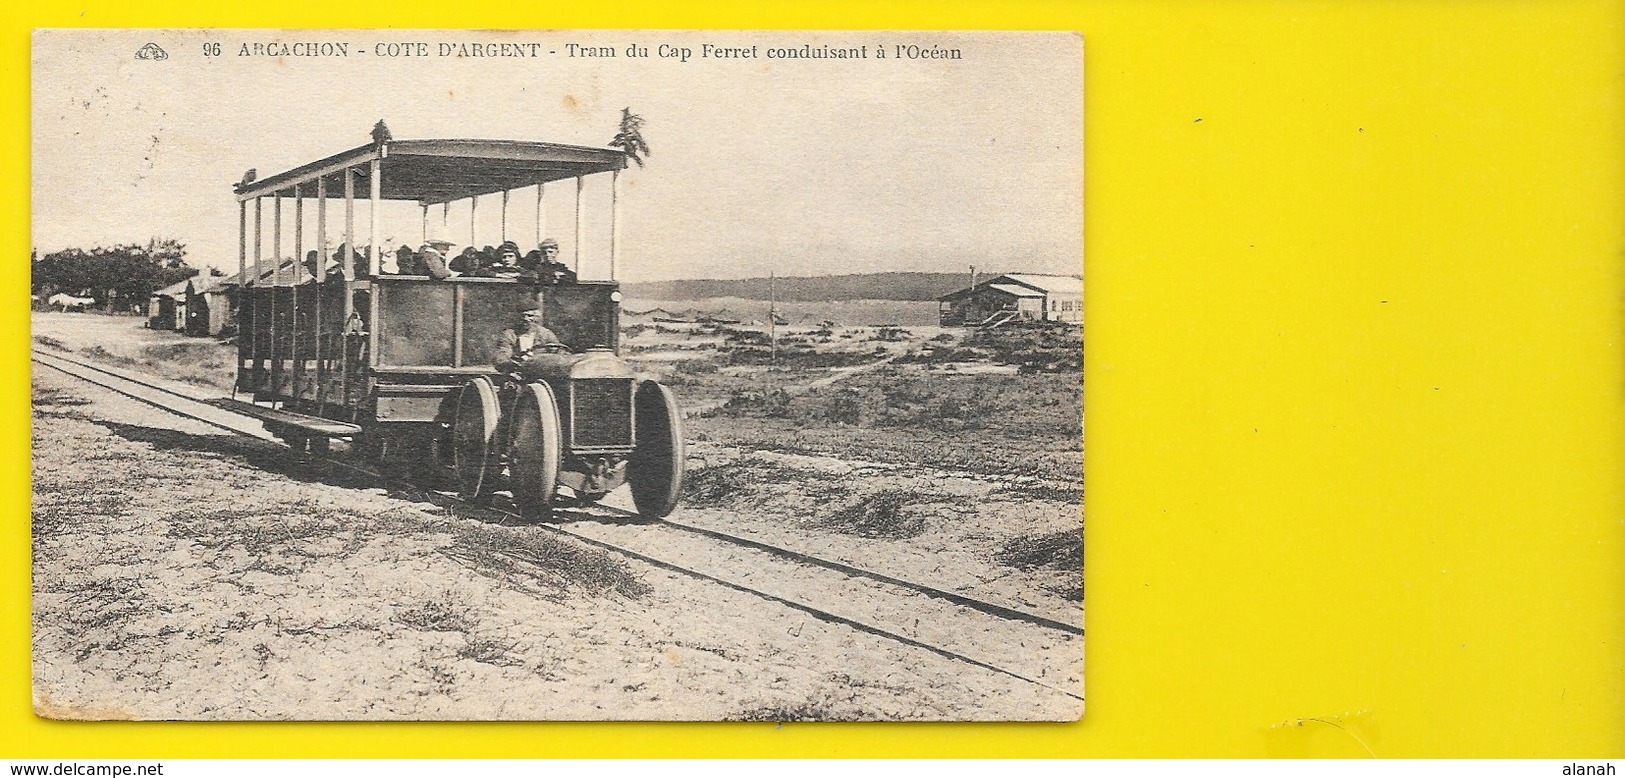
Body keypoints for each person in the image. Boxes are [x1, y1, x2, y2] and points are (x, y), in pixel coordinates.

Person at [492, 300, 566, 375]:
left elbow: (559, 352)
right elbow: (502, 355)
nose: (526, 319)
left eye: (530, 316)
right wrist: (512, 364)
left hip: (543, 372)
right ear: (517, 317)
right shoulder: (509, 335)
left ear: (537, 317)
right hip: (517, 373)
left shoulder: (546, 334)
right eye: (522, 316)